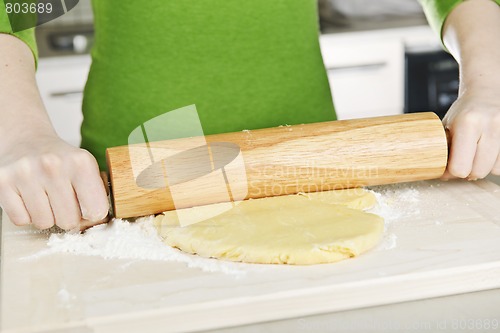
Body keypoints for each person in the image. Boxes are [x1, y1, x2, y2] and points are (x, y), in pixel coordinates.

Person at [0, 0, 499, 231]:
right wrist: (21, 132)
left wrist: (491, 82)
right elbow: (21, 5)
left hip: (313, 170)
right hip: (133, 180)